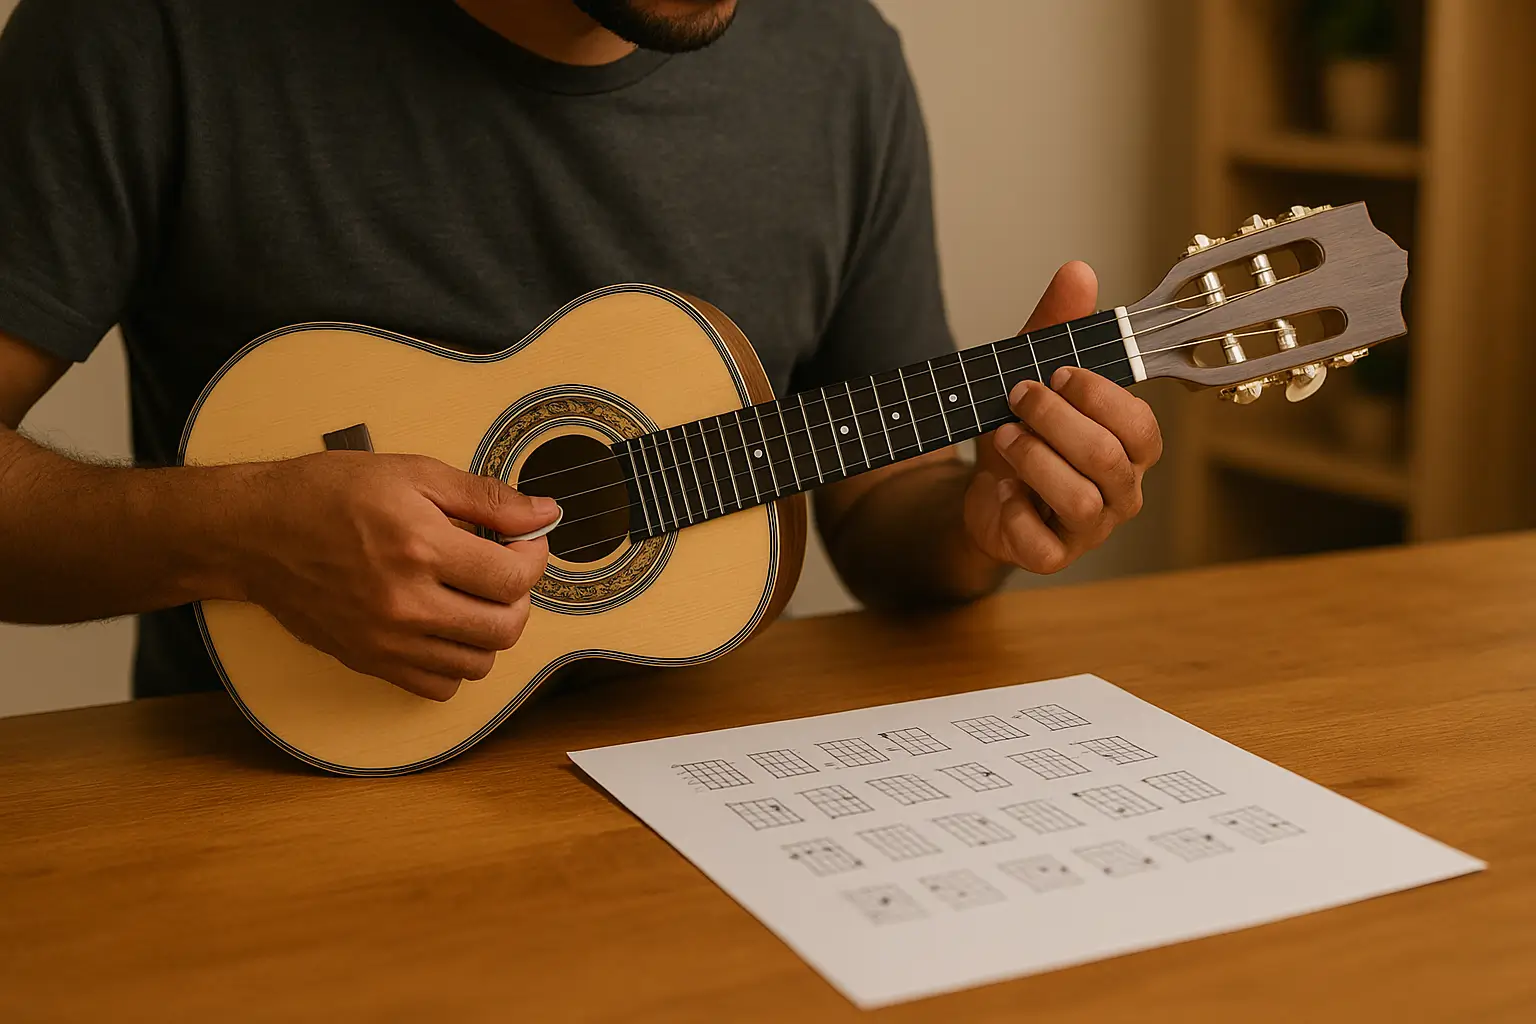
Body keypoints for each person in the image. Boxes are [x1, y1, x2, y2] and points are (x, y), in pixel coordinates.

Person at [0, 0, 1162, 704]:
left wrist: (978, 522)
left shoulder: (843, 63)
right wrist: (241, 532)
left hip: (730, 815)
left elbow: (881, 504)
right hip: (285, 827)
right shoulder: (146, 29)